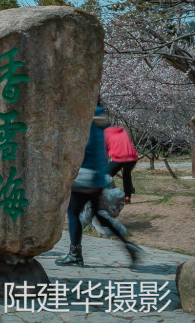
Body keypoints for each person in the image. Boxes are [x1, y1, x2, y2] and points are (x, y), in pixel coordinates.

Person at [56, 105, 142, 267]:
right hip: (98, 179)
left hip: (84, 178)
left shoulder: (88, 131)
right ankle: (126, 243)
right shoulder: (103, 131)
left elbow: (78, 152)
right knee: (99, 214)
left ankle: (75, 254)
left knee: (73, 212)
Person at [105, 123, 139, 203]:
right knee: (126, 175)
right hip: (132, 157)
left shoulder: (105, 134)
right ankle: (127, 197)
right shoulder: (123, 131)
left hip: (119, 157)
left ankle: (108, 196)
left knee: (105, 174)